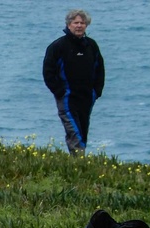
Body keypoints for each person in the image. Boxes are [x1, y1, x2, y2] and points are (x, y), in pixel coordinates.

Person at [42, 9, 105, 155]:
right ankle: (80, 162)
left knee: (82, 129)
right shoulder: (58, 46)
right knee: (74, 131)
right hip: (67, 97)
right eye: (76, 22)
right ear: (69, 25)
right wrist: (59, 92)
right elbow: (48, 72)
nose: (79, 26)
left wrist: (97, 91)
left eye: (82, 23)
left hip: (87, 97)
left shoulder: (91, 45)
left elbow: (99, 69)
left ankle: (76, 162)